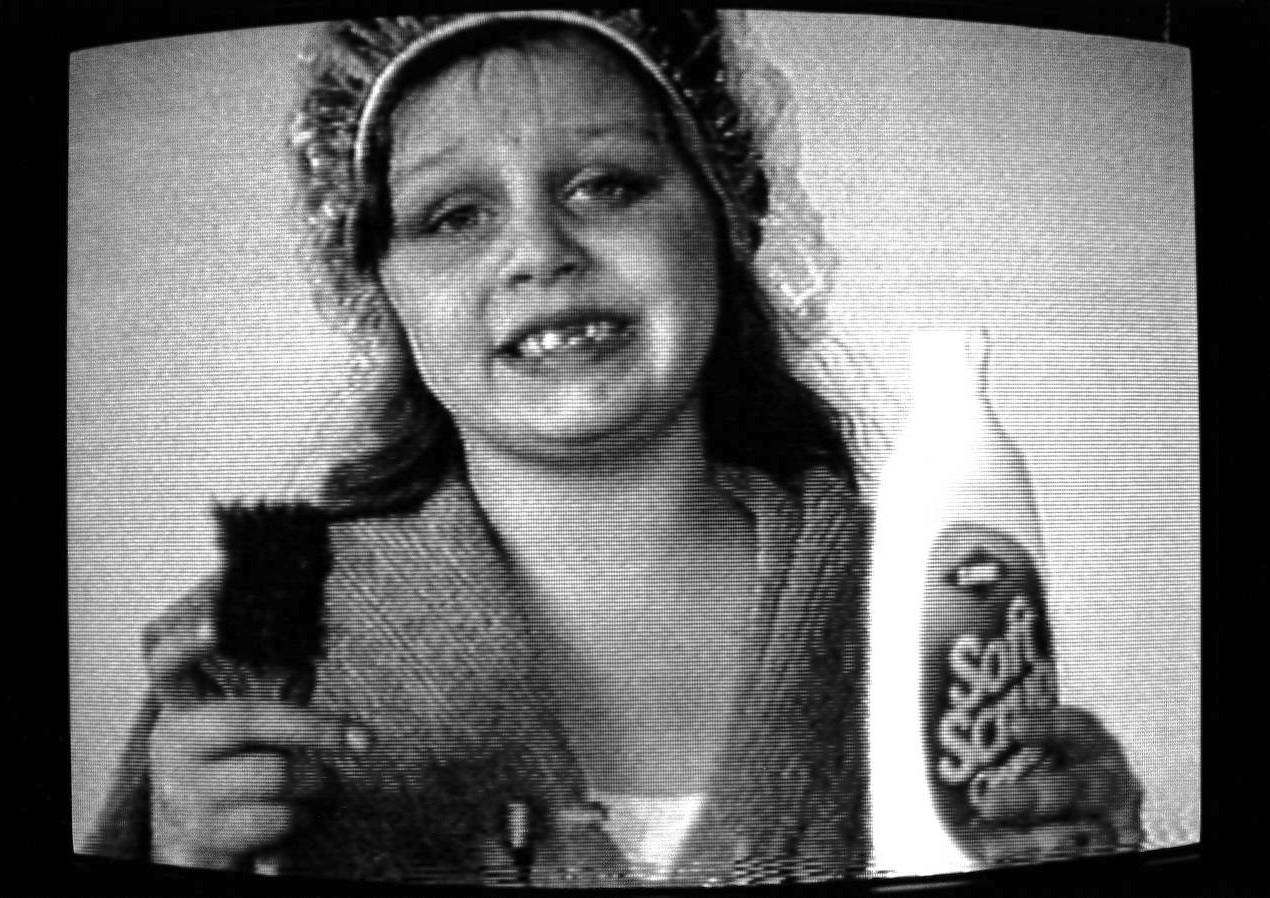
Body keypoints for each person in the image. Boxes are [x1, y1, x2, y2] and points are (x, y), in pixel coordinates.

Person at [83, 9, 1143, 885]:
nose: (539, 250)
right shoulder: (261, 653)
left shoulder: (927, 604)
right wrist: (180, 858)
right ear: (380, 287)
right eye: (453, 215)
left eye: (608, 185)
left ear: (725, 217)